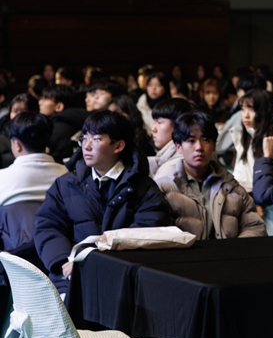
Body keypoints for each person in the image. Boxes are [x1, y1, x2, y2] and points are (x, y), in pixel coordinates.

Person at [33, 110, 170, 291]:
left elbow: (146, 232)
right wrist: (63, 261)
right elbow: (48, 226)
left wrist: (93, 260)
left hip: (122, 280)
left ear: (118, 146)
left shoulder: (143, 188)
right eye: (84, 139)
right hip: (70, 276)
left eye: (96, 139)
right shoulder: (66, 184)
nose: (87, 146)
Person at [155, 112, 266, 240]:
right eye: (191, 141)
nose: (199, 147)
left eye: (206, 140)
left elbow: (255, 228)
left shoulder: (232, 187)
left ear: (213, 146)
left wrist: (233, 252)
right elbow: (160, 235)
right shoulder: (164, 188)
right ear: (178, 147)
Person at [0, 113, 68, 252]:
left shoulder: (3, 178)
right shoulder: (66, 175)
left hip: (12, 264)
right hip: (59, 257)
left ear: (17, 145)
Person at [229, 90, 273, 192]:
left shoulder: (272, 141)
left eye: (251, 109)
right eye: (243, 109)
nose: (246, 115)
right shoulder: (243, 135)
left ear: (263, 111)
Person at [39, 85, 88, 163]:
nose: (40, 102)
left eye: (46, 99)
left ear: (59, 106)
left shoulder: (54, 129)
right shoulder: (86, 121)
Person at [149, 98, 196, 178]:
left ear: (179, 125)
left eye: (159, 122)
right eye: (154, 122)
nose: (153, 128)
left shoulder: (177, 165)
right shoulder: (166, 157)